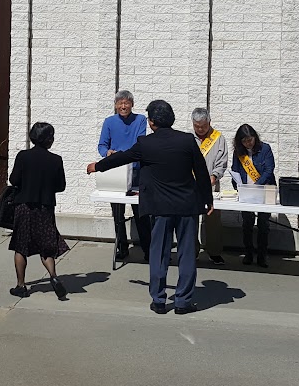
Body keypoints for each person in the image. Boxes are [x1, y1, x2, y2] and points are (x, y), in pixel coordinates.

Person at [88, 100, 213, 315]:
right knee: (186, 254)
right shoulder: (187, 141)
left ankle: (159, 300)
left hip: (160, 208)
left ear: (152, 122)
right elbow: (201, 172)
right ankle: (183, 302)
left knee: (159, 254)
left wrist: (97, 166)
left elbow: (121, 157)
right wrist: (207, 200)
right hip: (187, 207)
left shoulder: (145, 144)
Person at [8, 122, 70, 300]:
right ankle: (54, 277)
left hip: (24, 207)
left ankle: (21, 286)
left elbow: (14, 180)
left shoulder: (23, 156)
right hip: (45, 207)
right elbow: (61, 186)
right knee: (47, 247)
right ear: (49, 139)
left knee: (21, 246)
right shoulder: (56, 160)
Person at [97, 90, 151, 261]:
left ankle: (148, 250)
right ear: (115, 105)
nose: (123, 106)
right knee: (117, 214)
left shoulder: (140, 120)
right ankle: (122, 247)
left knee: (141, 213)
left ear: (132, 104)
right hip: (116, 173)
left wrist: (124, 155)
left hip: (136, 171)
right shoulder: (109, 122)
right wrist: (108, 153)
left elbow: (140, 142)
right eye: (120, 103)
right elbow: (102, 146)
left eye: (126, 103)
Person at [231, 124, 276, 268]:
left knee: (263, 224)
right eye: (244, 141)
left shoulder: (265, 149)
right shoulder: (238, 152)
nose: (248, 143)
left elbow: (269, 170)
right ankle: (249, 253)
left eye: (250, 140)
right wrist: (238, 186)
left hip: (265, 190)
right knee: (247, 223)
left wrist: (257, 185)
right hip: (246, 192)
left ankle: (262, 255)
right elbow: (235, 170)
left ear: (255, 137)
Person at [191, 107, 228, 265]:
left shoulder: (218, 138)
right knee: (190, 219)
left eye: (203, 126)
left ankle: (214, 251)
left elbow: (222, 161)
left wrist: (214, 176)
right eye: (197, 126)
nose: (200, 129)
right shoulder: (188, 138)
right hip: (191, 184)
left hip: (211, 184)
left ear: (209, 122)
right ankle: (191, 251)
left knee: (212, 219)